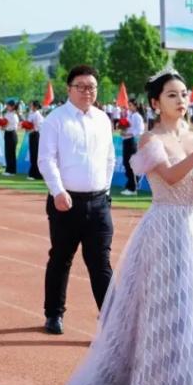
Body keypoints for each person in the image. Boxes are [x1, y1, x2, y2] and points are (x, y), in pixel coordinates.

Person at [56, 69, 193, 385]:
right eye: (172, 95)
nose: (181, 100)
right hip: (164, 232)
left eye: (184, 94)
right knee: (164, 310)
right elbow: (171, 177)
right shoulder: (149, 139)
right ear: (156, 103)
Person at [38, 65, 115, 336]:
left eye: (91, 87)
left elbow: (109, 158)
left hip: (99, 203)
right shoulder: (56, 120)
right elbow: (46, 159)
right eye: (80, 86)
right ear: (69, 89)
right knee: (61, 258)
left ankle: (111, 321)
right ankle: (54, 314)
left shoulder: (103, 120)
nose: (86, 91)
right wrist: (58, 191)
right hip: (65, 203)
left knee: (101, 263)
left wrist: (105, 191)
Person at [119, 99, 145, 196]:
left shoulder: (137, 116)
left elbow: (140, 130)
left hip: (132, 141)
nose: (129, 107)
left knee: (131, 164)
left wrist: (129, 134)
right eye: (128, 105)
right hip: (126, 140)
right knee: (126, 163)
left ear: (135, 106)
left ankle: (133, 187)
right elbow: (126, 127)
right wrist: (123, 130)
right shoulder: (129, 115)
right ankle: (130, 184)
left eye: (130, 105)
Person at [25, 100, 45, 180]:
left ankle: (36, 174)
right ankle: (32, 173)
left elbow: (38, 126)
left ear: (35, 106)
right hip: (31, 134)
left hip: (36, 135)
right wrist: (26, 126)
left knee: (35, 154)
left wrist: (31, 127)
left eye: (32, 105)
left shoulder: (38, 115)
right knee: (32, 154)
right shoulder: (31, 113)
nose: (30, 106)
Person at [1, 100, 20, 176]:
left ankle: (12, 171)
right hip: (7, 133)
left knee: (11, 153)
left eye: (8, 105)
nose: (7, 107)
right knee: (7, 152)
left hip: (12, 133)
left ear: (12, 107)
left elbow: (11, 124)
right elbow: (4, 123)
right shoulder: (7, 113)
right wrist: (2, 126)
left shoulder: (14, 115)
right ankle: (8, 169)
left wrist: (4, 125)